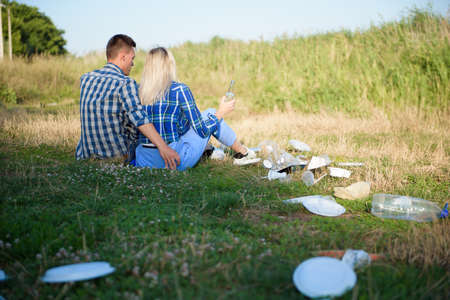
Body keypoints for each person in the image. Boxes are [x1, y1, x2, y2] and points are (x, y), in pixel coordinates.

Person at [135, 47, 259, 171]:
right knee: (210, 113)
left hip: (144, 161)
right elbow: (202, 131)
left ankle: (210, 150)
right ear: (169, 65)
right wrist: (221, 112)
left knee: (191, 124)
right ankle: (244, 153)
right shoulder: (179, 90)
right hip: (174, 160)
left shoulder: (136, 90)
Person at [75, 34, 180, 169]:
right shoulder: (125, 83)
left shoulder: (86, 79)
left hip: (85, 156)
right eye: (132, 58)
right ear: (123, 57)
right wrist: (163, 147)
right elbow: (140, 120)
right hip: (117, 156)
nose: (133, 63)